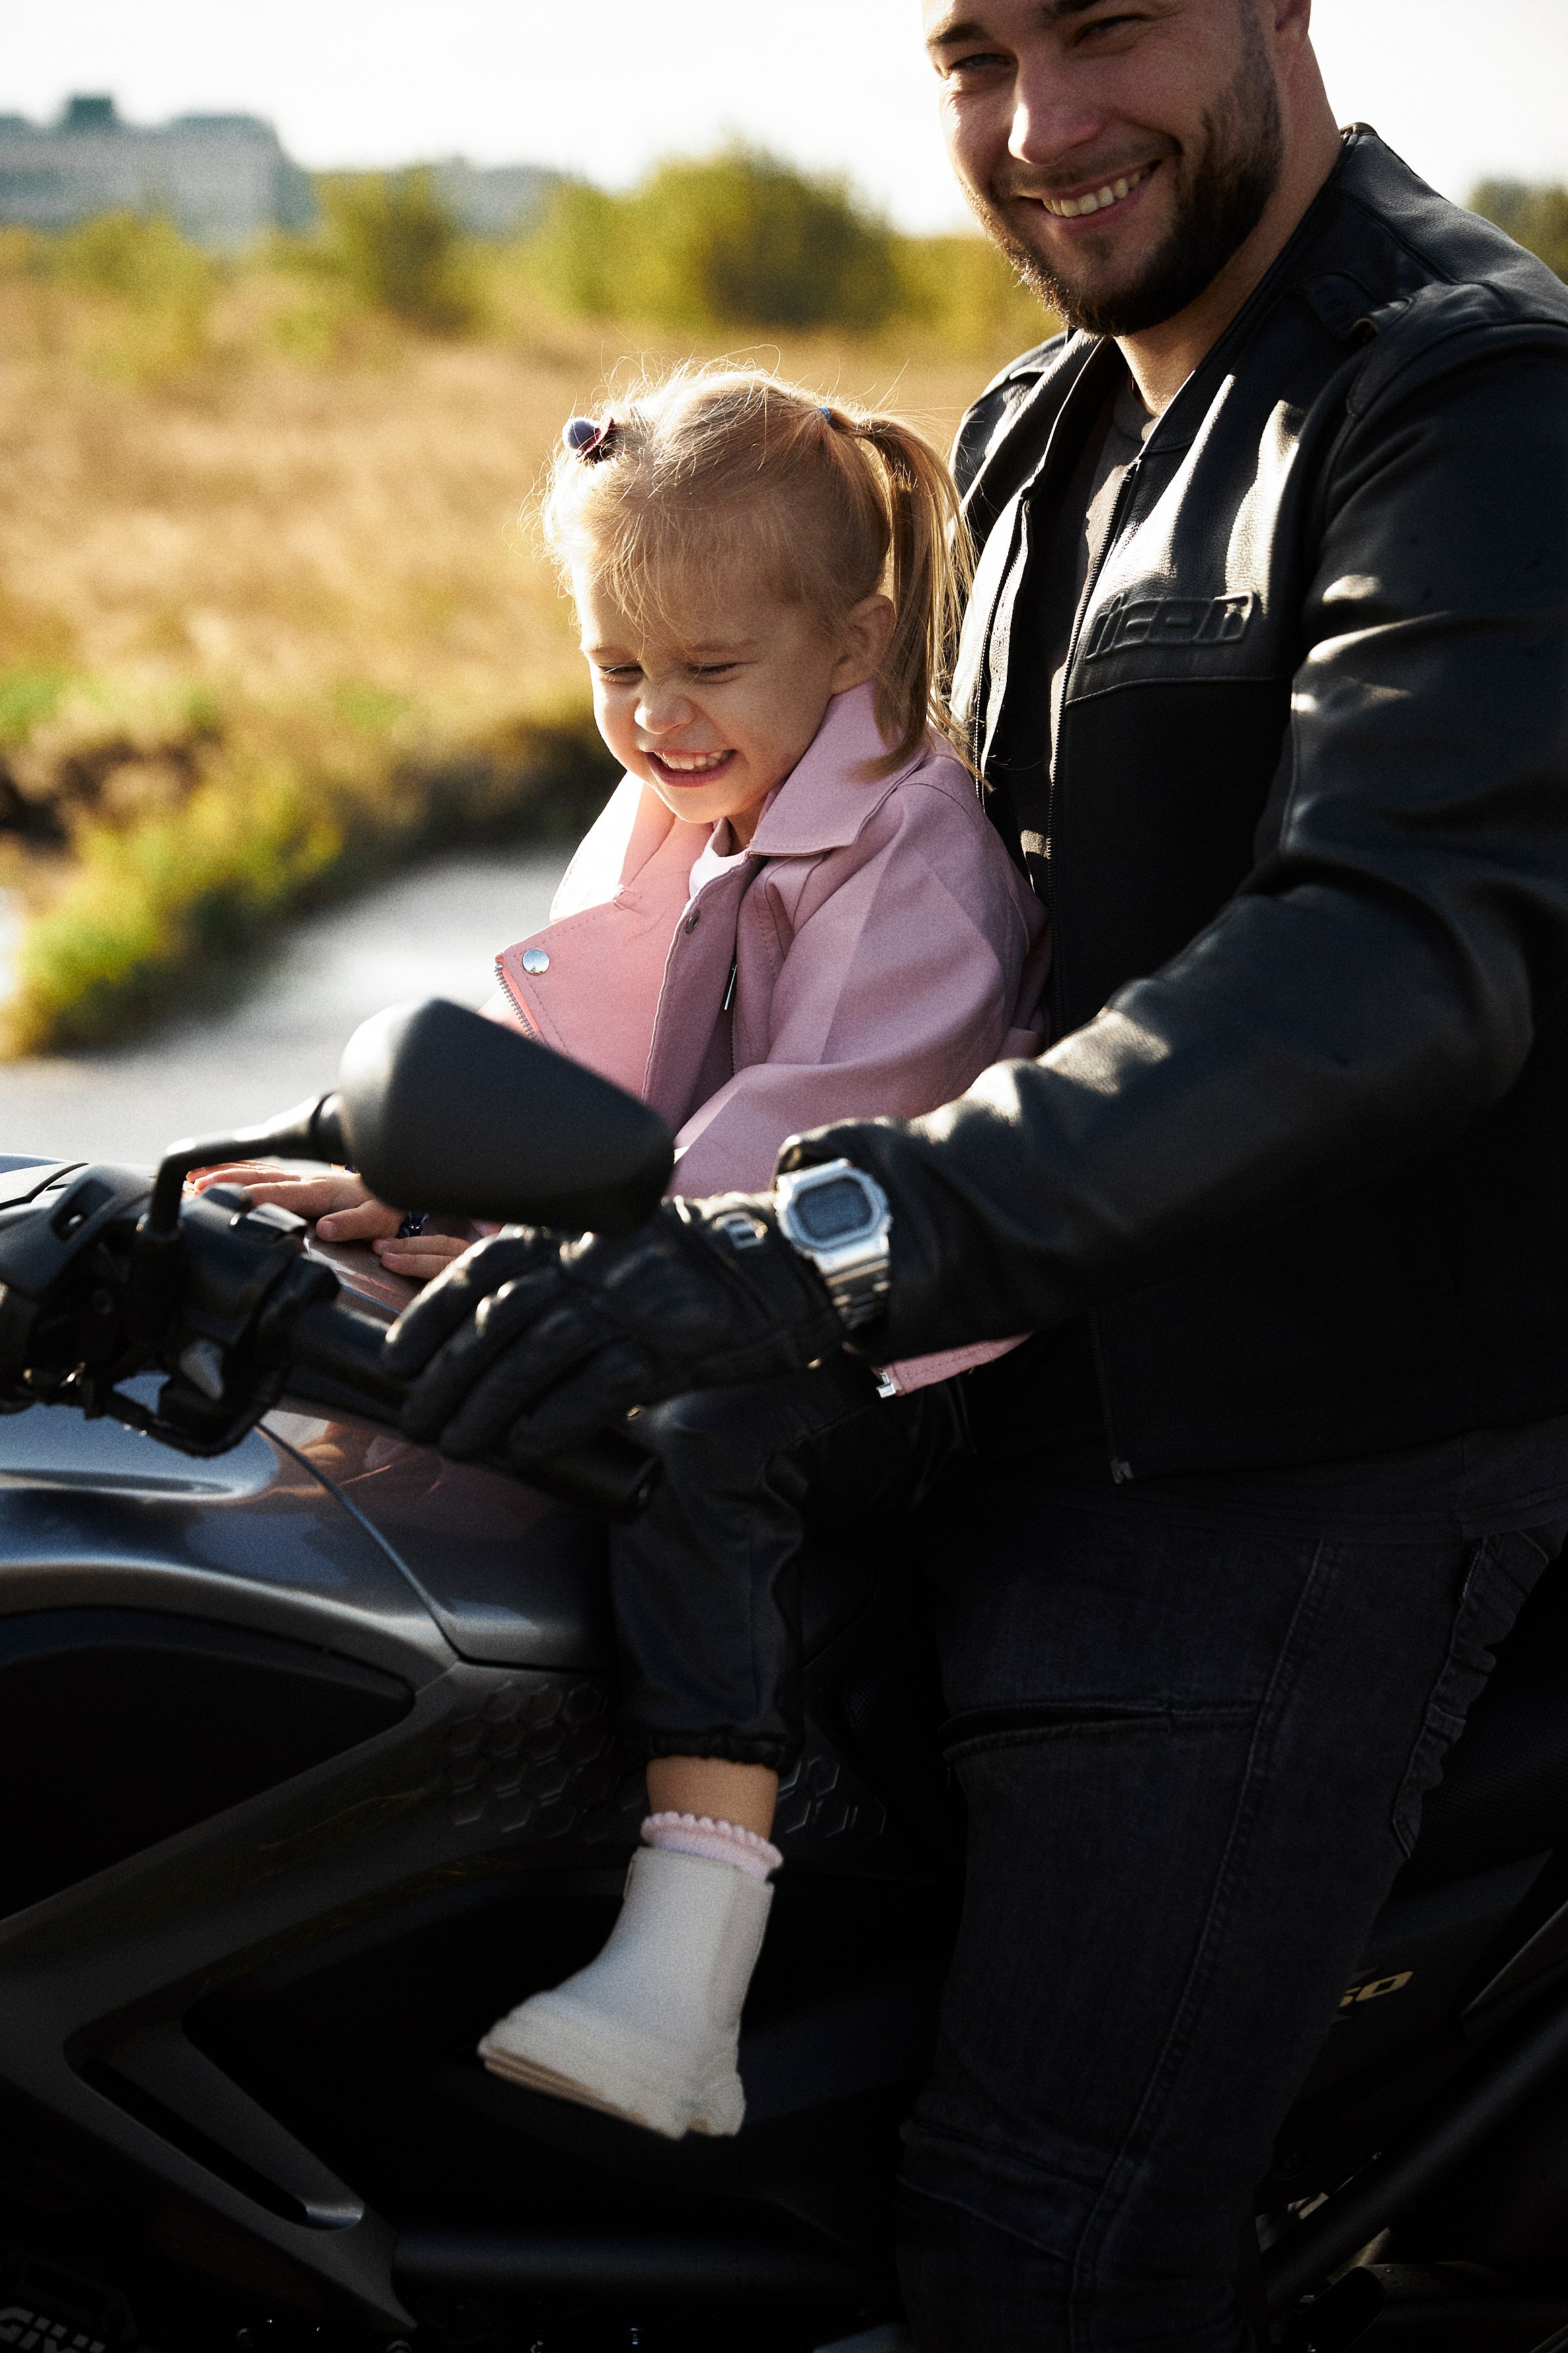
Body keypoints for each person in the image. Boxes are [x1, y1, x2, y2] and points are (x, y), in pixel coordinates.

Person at [380, 3, 1568, 2348]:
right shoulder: (1031, 435)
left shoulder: (1476, 397)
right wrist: (455, 1173)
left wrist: (824, 1231)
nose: (1042, 127)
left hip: (1270, 1502)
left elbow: (1392, 954)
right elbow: (832, 912)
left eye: (1108, 21)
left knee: (1035, 2254)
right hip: (966, 1424)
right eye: (976, 51)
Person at [202, 366, 1046, 2143]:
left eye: (705, 667)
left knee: (701, 1439)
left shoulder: (917, 853)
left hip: (893, 1330)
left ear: (851, 637)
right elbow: (584, 1072)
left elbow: (810, 1148)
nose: (655, 716)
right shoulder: (686, 795)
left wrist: (543, 1244)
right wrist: (416, 1189)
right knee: (348, 1299)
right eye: (616, 668)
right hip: (700, 1252)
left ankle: (691, 1943)